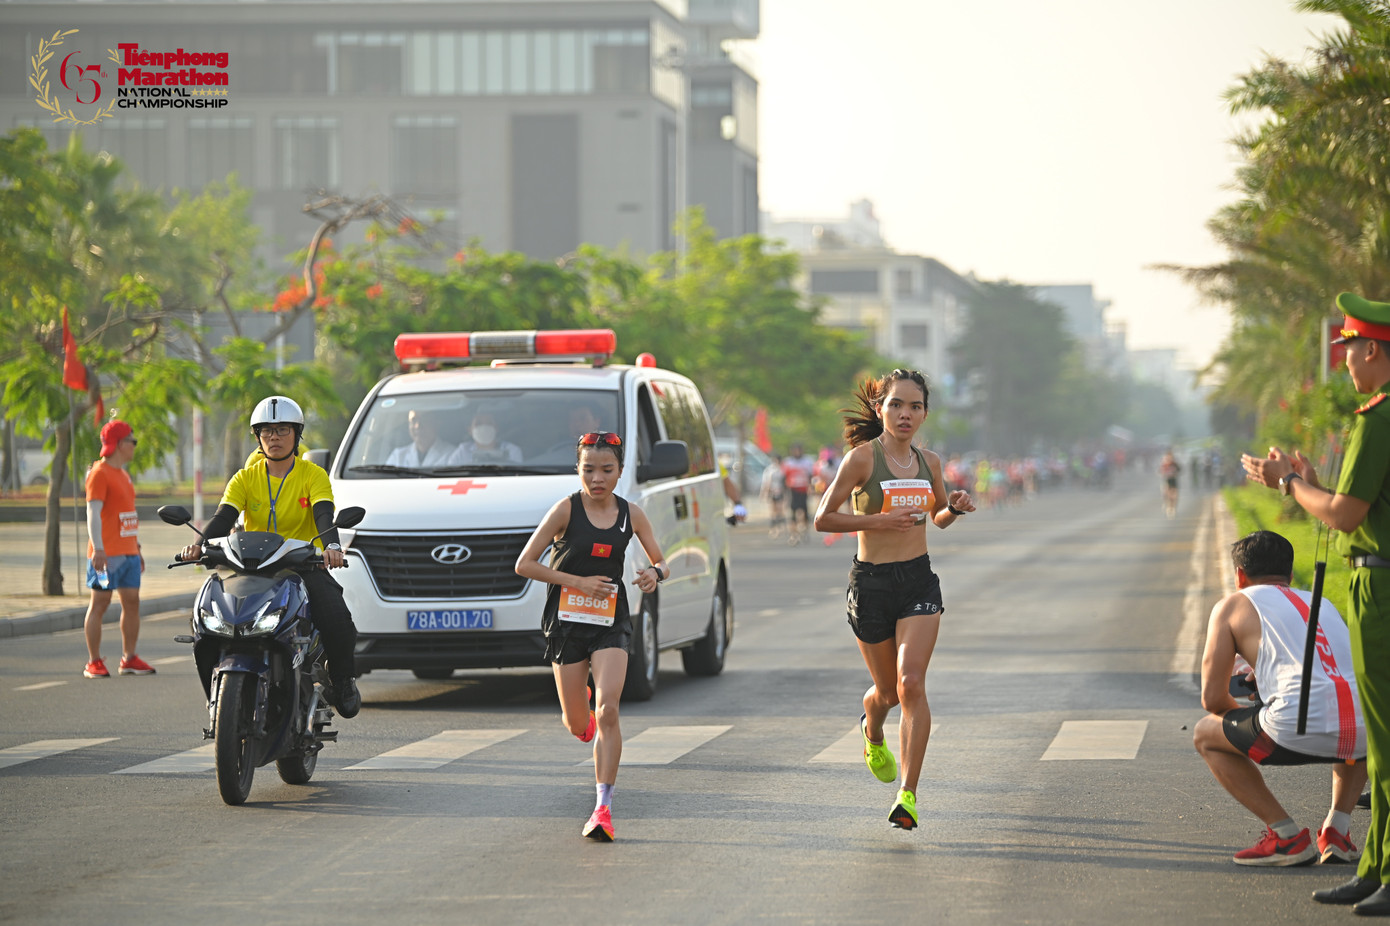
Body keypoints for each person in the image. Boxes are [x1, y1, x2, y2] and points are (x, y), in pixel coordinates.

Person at [1241, 292, 1390, 913]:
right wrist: (1308, 482)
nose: (1345, 359)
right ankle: (1376, 867)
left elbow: (1346, 513)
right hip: (1373, 572)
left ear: (1374, 349)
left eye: (1350, 347)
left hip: (1380, 584)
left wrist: (1291, 483)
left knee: (1384, 741)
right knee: (1380, 743)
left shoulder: (1378, 418)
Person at [813, 369, 975, 829]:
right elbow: (824, 519)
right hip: (872, 586)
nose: (906, 414)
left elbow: (937, 517)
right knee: (886, 693)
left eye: (915, 406)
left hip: (918, 582)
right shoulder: (862, 460)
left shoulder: (931, 462)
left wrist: (955, 509)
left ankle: (908, 795)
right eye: (897, 405)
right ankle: (872, 724)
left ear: (925, 413)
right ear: (881, 408)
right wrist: (879, 521)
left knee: (912, 684)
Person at [514, 430, 669, 842]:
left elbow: (661, 560)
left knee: (609, 711)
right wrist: (577, 582)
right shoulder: (565, 510)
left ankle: (603, 807)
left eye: (606, 470)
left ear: (620, 472)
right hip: (566, 624)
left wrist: (654, 573)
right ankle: (578, 707)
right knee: (577, 723)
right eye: (588, 469)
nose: (597, 478)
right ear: (577, 469)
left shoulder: (631, 514)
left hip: (611, 621)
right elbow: (525, 564)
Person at [178, 395, 361, 718]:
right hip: (251, 567)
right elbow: (223, 518)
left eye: (282, 429)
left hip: (302, 565)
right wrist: (198, 545)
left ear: (297, 434)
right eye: (266, 431)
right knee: (211, 617)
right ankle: (220, 692)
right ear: (258, 438)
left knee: (337, 617)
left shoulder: (312, 475)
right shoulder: (244, 478)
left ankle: (343, 680)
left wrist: (331, 547)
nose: (274, 437)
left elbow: (323, 515)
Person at [1193, 530, 1366, 867]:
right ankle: (1337, 832)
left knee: (1205, 733)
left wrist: (1255, 716)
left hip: (1290, 731)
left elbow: (1213, 699)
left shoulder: (1232, 605)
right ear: (1289, 574)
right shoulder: (1322, 603)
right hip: (1365, 738)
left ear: (1240, 575)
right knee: (1352, 716)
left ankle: (1286, 836)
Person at [81, 420, 153, 678]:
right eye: (132, 441)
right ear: (121, 444)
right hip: (105, 555)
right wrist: (98, 548)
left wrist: (138, 548)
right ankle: (94, 661)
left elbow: (126, 514)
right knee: (100, 602)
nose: (134, 446)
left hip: (129, 554)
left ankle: (129, 658)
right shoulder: (99, 474)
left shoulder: (123, 475)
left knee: (131, 602)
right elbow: (93, 512)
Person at [385, 409, 458, 468]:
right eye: (413, 420)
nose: (417, 426)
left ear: (436, 423)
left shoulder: (452, 454)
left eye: (424, 420)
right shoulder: (398, 456)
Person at [454, 410, 522, 464]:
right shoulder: (462, 452)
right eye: (478, 423)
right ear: (470, 430)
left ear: (496, 428)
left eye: (489, 423)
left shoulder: (512, 450)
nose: (484, 427)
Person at [782, 444, 815, 543]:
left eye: (798, 450)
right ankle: (794, 534)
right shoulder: (788, 462)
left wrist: (811, 488)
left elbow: (811, 476)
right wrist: (784, 492)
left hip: (803, 490)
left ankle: (805, 531)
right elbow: (783, 478)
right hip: (793, 490)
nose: (797, 452)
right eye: (795, 450)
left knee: (804, 511)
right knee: (792, 512)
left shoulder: (807, 462)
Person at [761, 453, 787, 537]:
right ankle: (773, 528)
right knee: (773, 510)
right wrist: (764, 493)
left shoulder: (783, 470)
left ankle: (780, 525)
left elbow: (786, 482)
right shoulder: (769, 470)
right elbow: (765, 482)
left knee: (780, 509)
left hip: (780, 492)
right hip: (772, 492)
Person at [1159, 449, 1181, 518]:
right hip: (1167, 480)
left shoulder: (1174, 464)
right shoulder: (1164, 464)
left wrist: (1174, 473)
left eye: (1170, 457)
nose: (1169, 458)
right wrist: (1164, 473)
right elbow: (1160, 471)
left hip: (1173, 480)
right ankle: (1167, 505)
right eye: (1168, 457)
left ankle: (1173, 507)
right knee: (1166, 493)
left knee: (1174, 495)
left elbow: (1180, 470)